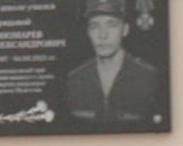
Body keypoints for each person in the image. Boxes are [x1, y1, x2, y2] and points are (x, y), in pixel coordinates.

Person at [65, 0, 161, 128]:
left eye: (112, 25)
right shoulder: (75, 80)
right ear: (88, 32)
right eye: (94, 26)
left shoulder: (148, 78)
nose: (102, 35)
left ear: (125, 30)